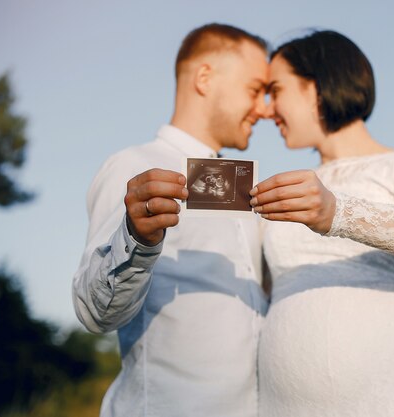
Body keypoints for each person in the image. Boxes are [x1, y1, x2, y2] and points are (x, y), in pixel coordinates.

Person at [250, 30, 394, 416]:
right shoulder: (291, 188)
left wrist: (335, 213)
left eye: (276, 90)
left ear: (317, 86)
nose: (268, 110)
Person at [72, 23, 269, 417]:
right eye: (254, 90)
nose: (265, 108)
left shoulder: (243, 185)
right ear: (204, 77)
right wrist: (137, 239)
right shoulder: (134, 167)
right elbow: (95, 314)